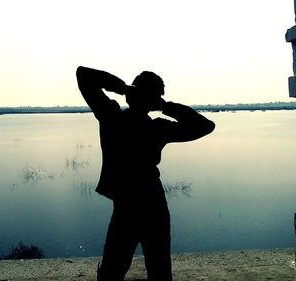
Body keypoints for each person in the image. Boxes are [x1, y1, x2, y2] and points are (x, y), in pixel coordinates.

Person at [76, 66, 215, 281]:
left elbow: (83, 75)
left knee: (112, 272)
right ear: (153, 101)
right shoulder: (157, 128)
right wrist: (166, 106)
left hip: (127, 206)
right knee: (157, 272)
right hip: (152, 205)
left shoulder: (111, 117)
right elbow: (205, 126)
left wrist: (122, 88)